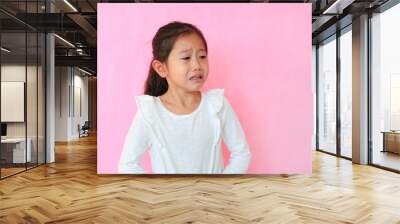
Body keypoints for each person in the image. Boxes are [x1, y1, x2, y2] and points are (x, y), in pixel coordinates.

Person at [118, 21, 251, 174]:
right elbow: (127, 165)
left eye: (202, 56)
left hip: (212, 197)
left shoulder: (217, 106)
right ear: (161, 68)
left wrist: (220, 188)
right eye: (186, 58)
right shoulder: (150, 113)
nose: (197, 65)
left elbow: (242, 153)